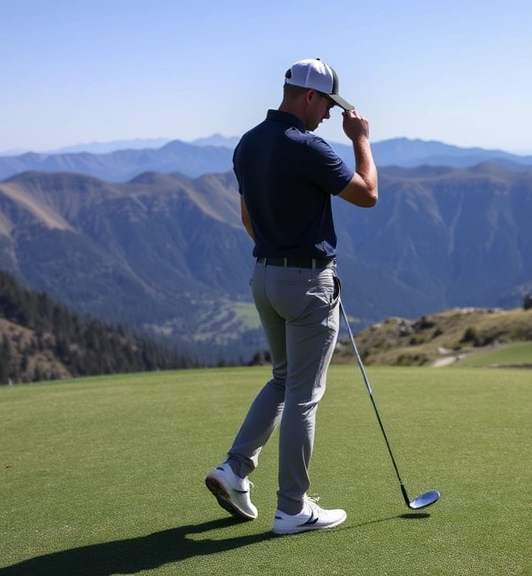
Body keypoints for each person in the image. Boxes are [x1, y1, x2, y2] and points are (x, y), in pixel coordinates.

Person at [205, 57, 378, 535]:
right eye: (327, 105)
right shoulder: (308, 147)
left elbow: (247, 220)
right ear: (309, 96)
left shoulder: (247, 144)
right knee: (304, 396)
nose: (328, 116)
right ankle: (292, 508)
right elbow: (367, 194)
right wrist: (360, 139)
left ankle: (235, 468)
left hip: (263, 276)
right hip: (306, 281)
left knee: (282, 380)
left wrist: (276, 255)